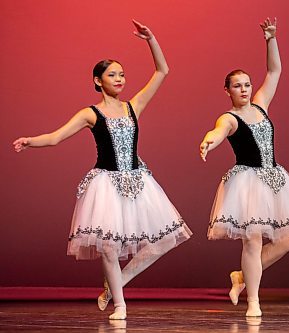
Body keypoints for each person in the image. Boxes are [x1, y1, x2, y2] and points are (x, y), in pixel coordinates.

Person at [13, 20, 192, 320]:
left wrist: (151, 40)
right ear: (98, 81)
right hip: (106, 185)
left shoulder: (133, 106)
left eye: (122, 74)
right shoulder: (90, 113)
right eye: (112, 74)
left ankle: (115, 285)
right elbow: (57, 137)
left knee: (163, 240)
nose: (120, 79)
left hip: (139, 182)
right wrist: (32, 141)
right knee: (109, 248)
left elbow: (163, 72)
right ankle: (120, 305)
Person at [199, 17, 289, 317]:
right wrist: (209, 142)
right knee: (252, 241)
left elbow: (275, 71)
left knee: (286, 241)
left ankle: (241, 277)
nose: (245, 89)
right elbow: (218, 131)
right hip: (247, 183)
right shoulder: (229, 117)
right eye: (237, 86)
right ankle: (254, 301)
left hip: (274, 180)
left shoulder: (261, 104)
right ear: (227, 91)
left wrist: (270, 39)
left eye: (247, 84)